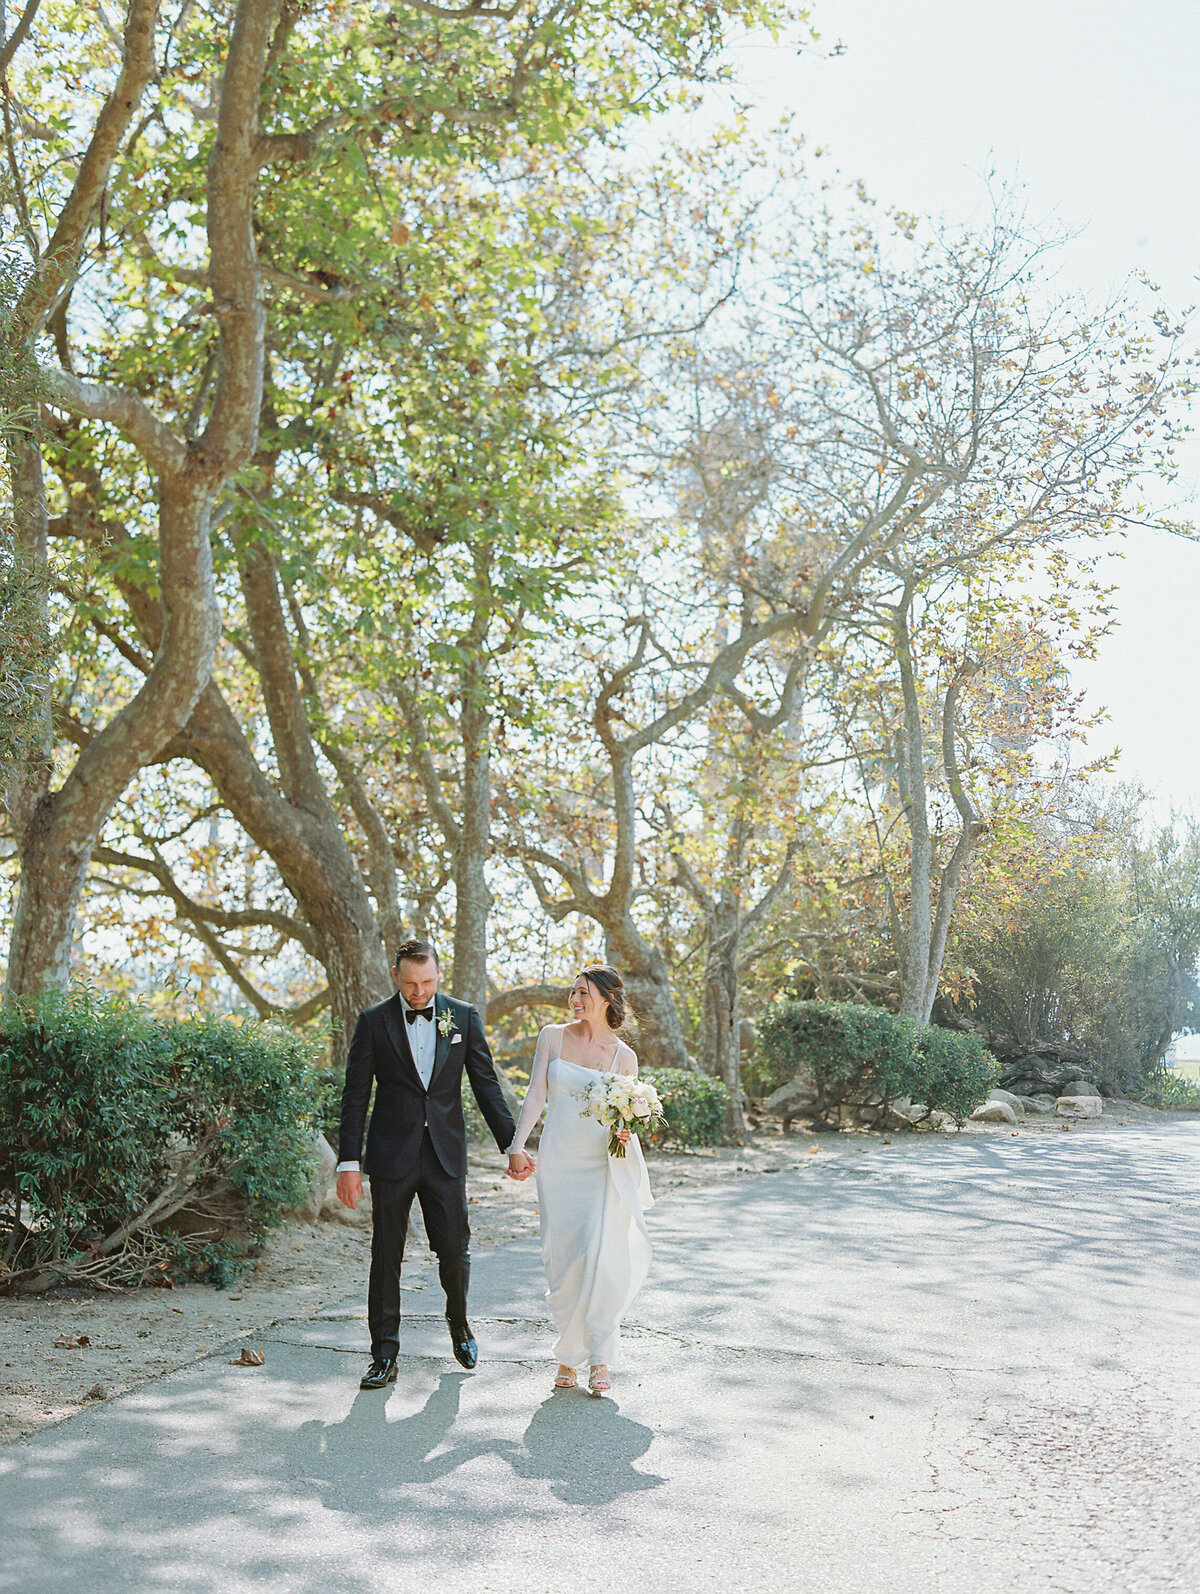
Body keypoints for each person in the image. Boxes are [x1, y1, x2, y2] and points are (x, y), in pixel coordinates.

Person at [336, 938, 534, 1390]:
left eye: (426, 983)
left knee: (455, 1251)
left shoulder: (462, 1016)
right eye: (410, 983)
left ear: (438, 975)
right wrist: (349, 1162)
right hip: (391, 1156)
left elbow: (485, 1084)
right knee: (386, 1254)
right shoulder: (373, 1021)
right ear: (396, 977)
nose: (418, 992)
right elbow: (356, 1096)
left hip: (446, 1155)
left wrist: (513, 1145)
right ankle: (383, 1354)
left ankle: (459, 1324)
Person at [506, 964, 654, 1397]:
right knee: (565, 1259)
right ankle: (569, 1355)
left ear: (606, 999)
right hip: (557, 1162)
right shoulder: (552, 1036)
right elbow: (536, 1093)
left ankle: (600, 1357)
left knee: (600, 1255)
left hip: (600, 1165)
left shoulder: (623, 1057)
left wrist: (626, 1130)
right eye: (573, 992)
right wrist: (517, 1145)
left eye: (584, 993)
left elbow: (625, 1117)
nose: (575, 1000)